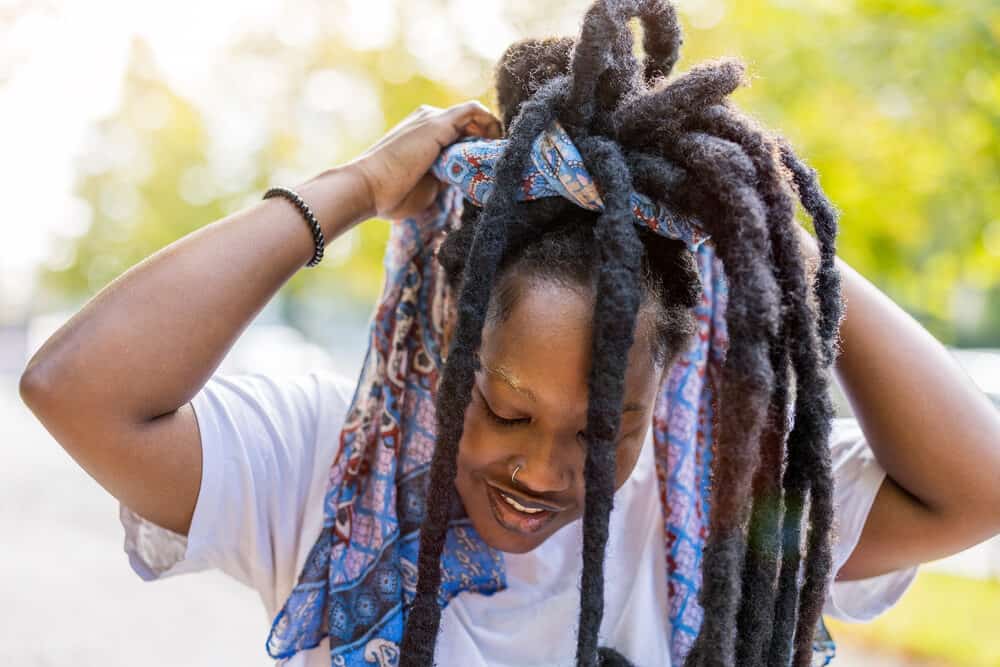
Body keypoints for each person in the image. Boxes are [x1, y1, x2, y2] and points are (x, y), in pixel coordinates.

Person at [19, 1, 1000, 666]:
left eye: (598, 430)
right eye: (503, 408)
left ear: (659, 393)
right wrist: (353, 190)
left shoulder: (715, 505)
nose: (539, 468)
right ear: (451, 343)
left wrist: (756, 229)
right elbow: (78, 389)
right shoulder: (332, 465)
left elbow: (977, 486)